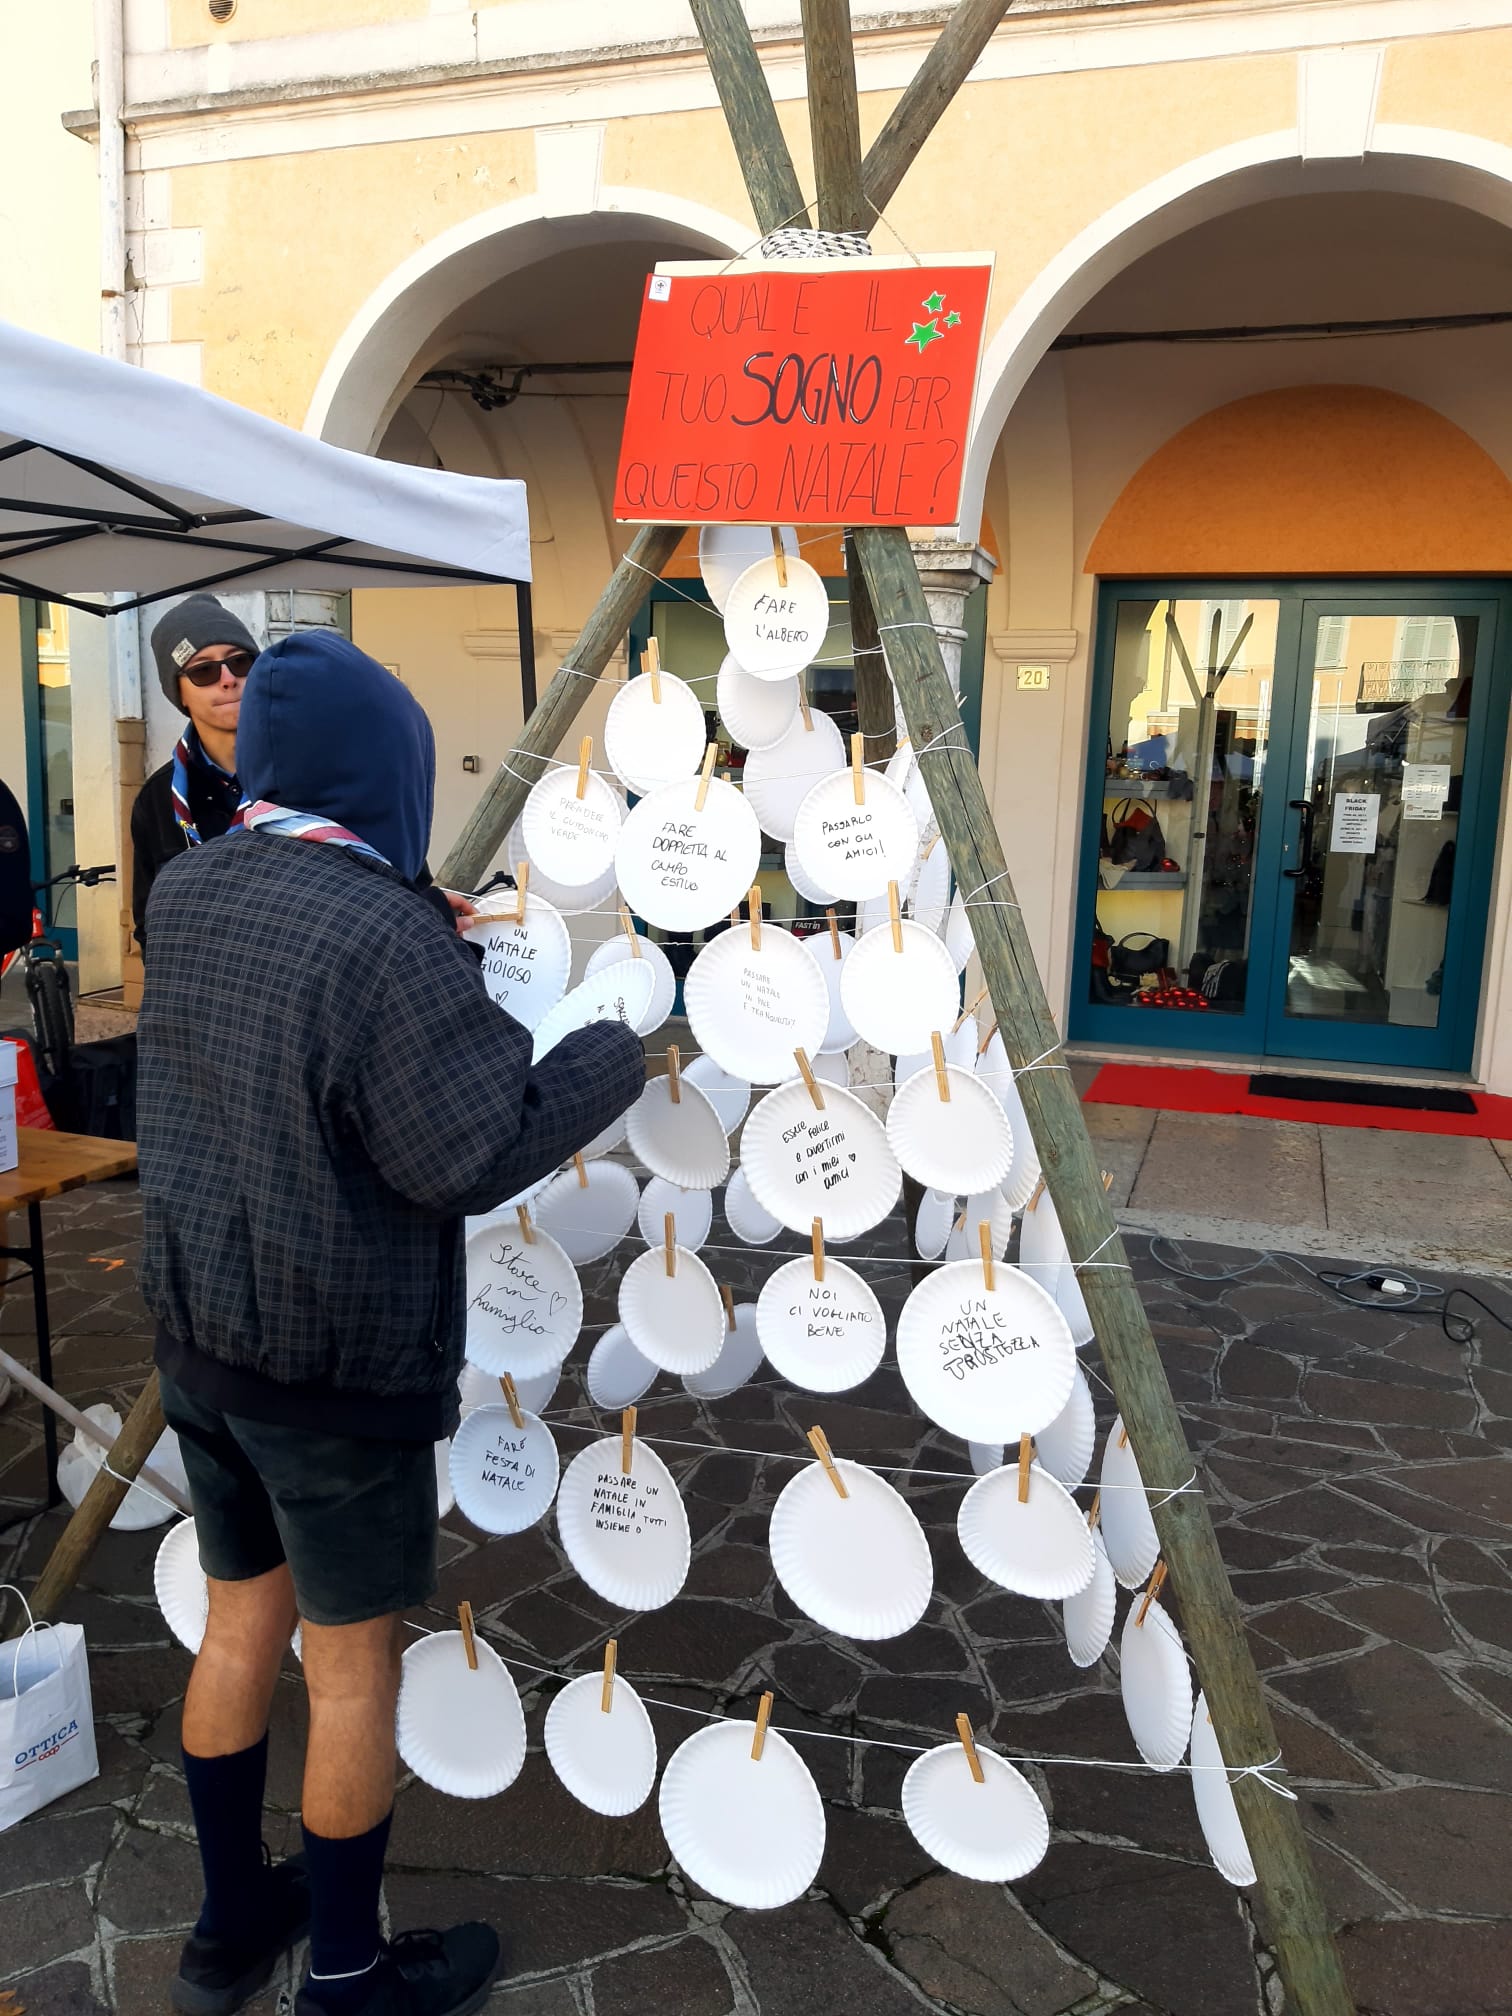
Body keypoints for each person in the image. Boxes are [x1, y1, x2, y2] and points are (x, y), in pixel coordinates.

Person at [137, 630, 646, 2016]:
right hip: (333, 1365)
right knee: (351, 1667)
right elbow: (466, 1150)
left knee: (240, 1624)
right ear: (390, 774)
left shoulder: (190, 885)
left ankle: (228, 1928)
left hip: (201, 1339)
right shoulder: (385, 936)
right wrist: (609, 1049)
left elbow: (303, 985)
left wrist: (420, 921)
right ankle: (349, 1978)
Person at [131, 593, 261, 953]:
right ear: (179, 693)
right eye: (204, 670)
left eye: (240, 662)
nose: (228, 679)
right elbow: (150, 924)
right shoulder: (159, 798)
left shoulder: (310, 770)